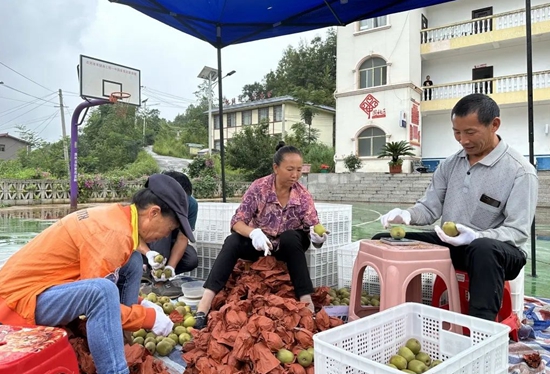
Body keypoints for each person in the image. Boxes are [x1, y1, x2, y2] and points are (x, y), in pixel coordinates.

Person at [0, 173, 195, 374]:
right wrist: (148, 317)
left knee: (133, 261)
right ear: (154, 213)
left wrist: (139, 303)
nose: (165, 235)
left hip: (41, 290)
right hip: (17, 303)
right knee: (101, 291)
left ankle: (121, 340)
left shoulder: (119, 218)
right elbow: (101, 297)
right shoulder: (113, 234)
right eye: (169, 228)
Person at [374, 93, 538, 321]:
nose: (463, 140)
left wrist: (477, 236)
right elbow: (430, 209)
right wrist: (406, 216)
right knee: (384, 240)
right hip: (451, 245)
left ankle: (481, 332)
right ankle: (396, 314)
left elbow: (518, 232)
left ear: (494, 125)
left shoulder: (520, 171)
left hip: (499, 253)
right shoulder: (450, 165)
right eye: (456, 132)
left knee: (483, 249)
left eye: (470, 132)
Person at [194, 142, 328, 329]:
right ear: (276, 167)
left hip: (288, 247)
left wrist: (317, 238)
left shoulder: (303, 195)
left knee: (290, 237)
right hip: (261, 245)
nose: (295, 175)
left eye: (299, 170)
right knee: (232, 241)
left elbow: (313, 226)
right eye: (290, 169)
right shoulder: (259, 188)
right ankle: (204, 305)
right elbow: (237, 221)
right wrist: (254, 233)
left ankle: (307, 303)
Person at [141, 171, 199, 298]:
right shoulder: (150, 202)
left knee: (191, 260)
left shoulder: (191, 204)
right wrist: (148, 253)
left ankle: (159, 276)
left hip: (170, 241)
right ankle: (157, 284)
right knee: (163, 235)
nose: (182, 202)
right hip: (146, 243)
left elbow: (182, 238)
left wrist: (170, 268)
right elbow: (134, 234)